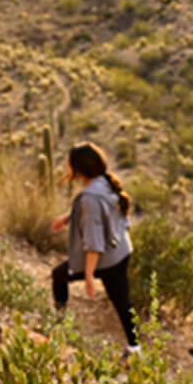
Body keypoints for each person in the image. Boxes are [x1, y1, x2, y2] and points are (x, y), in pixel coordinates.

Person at [49, 142, 139, 353]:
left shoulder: (89, 198)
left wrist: (89, 276)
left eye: (69, 164)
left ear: (79, 168)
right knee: (122, 301)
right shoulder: (104, 183)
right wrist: (69, 217)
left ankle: (59, 328)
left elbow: (94, 242)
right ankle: (135, 348)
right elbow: (99, 215)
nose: (66, 167)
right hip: (121, 250)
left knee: (59, 275)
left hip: (105, 257)